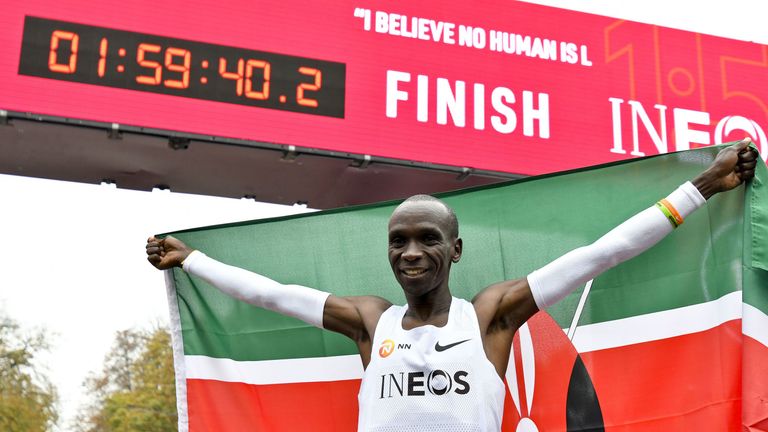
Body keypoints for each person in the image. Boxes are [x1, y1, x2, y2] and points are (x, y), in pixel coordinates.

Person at [147, 140, 759, 432]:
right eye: (399, 241)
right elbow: (270, 294)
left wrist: (701, 186)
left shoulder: (491, 316)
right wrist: (191, 259)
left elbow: (601, 254)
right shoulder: (370, 320)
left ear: (456, 249)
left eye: (427, 239)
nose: (411, 252)